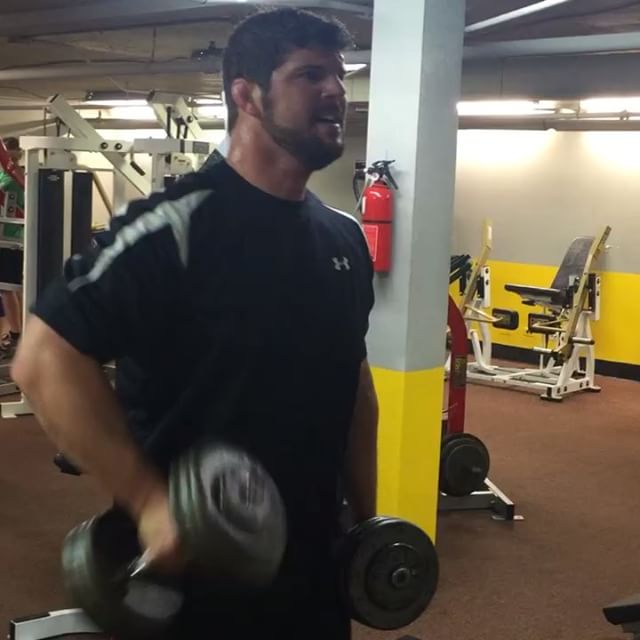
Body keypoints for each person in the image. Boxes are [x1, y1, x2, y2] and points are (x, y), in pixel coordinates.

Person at [12, 7, 378, 640]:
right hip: (195, 580)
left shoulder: (341, 238)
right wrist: (152, 507)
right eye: (311, 74)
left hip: (312, 574)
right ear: (248, 96)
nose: (336, 92)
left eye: (340, 77)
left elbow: (356, 389)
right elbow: (43, 359)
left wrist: (367, 526)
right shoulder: (176, 229)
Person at [0, 136, 24, 359]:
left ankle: (16, 334)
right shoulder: (17, 176)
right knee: (8, 289)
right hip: (10, 238)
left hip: (12, 239)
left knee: (7, 288)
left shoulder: (12, 178)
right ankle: (15, 333)